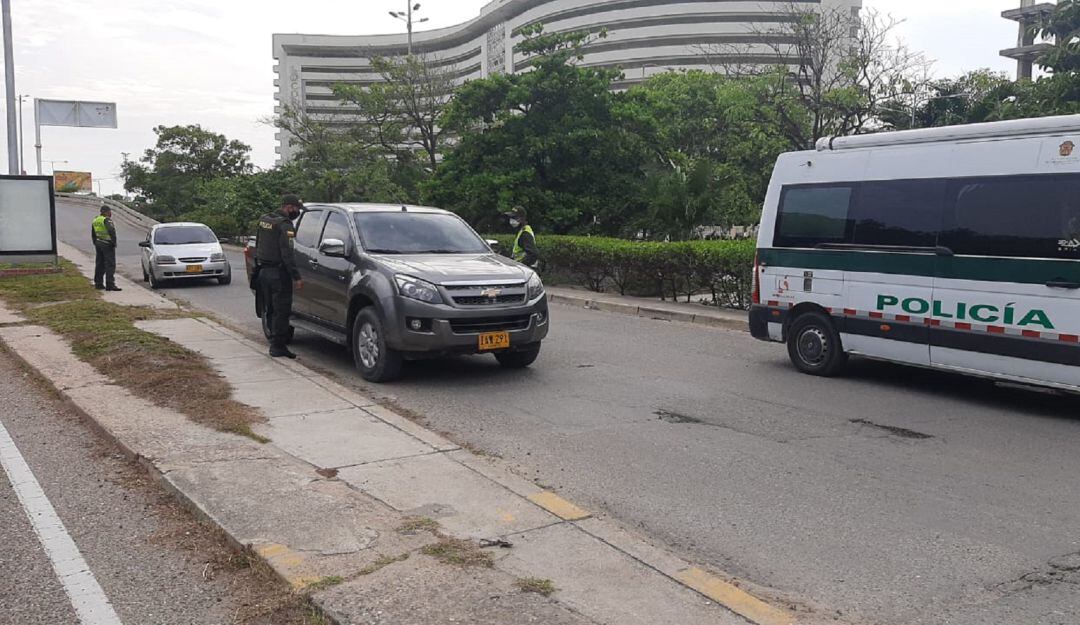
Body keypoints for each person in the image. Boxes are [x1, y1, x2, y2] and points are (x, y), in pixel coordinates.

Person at [254, 194, 305, 359]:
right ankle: (278, 347)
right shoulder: (285, 225)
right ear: (289, 207)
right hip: (278, 273)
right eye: (296, 209)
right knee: (281, 311)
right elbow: (287, 253)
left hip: (263, 271)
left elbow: (258, 244)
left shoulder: (265, 219)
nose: (297, 212)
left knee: (270, 308)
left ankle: (273, 341)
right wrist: (296, 276)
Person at [91, 205, 121, 292]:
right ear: (107, 212)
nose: (110, 213)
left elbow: (93, 233)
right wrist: (114, 243)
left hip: (99, 243)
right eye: (110, 211)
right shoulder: (107, 220)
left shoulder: (96, 220)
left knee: (99, 264)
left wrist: (95, 242)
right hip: (107, 244)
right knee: (110, 264)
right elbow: (111, 231)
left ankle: (98, 284)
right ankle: (110, 284)